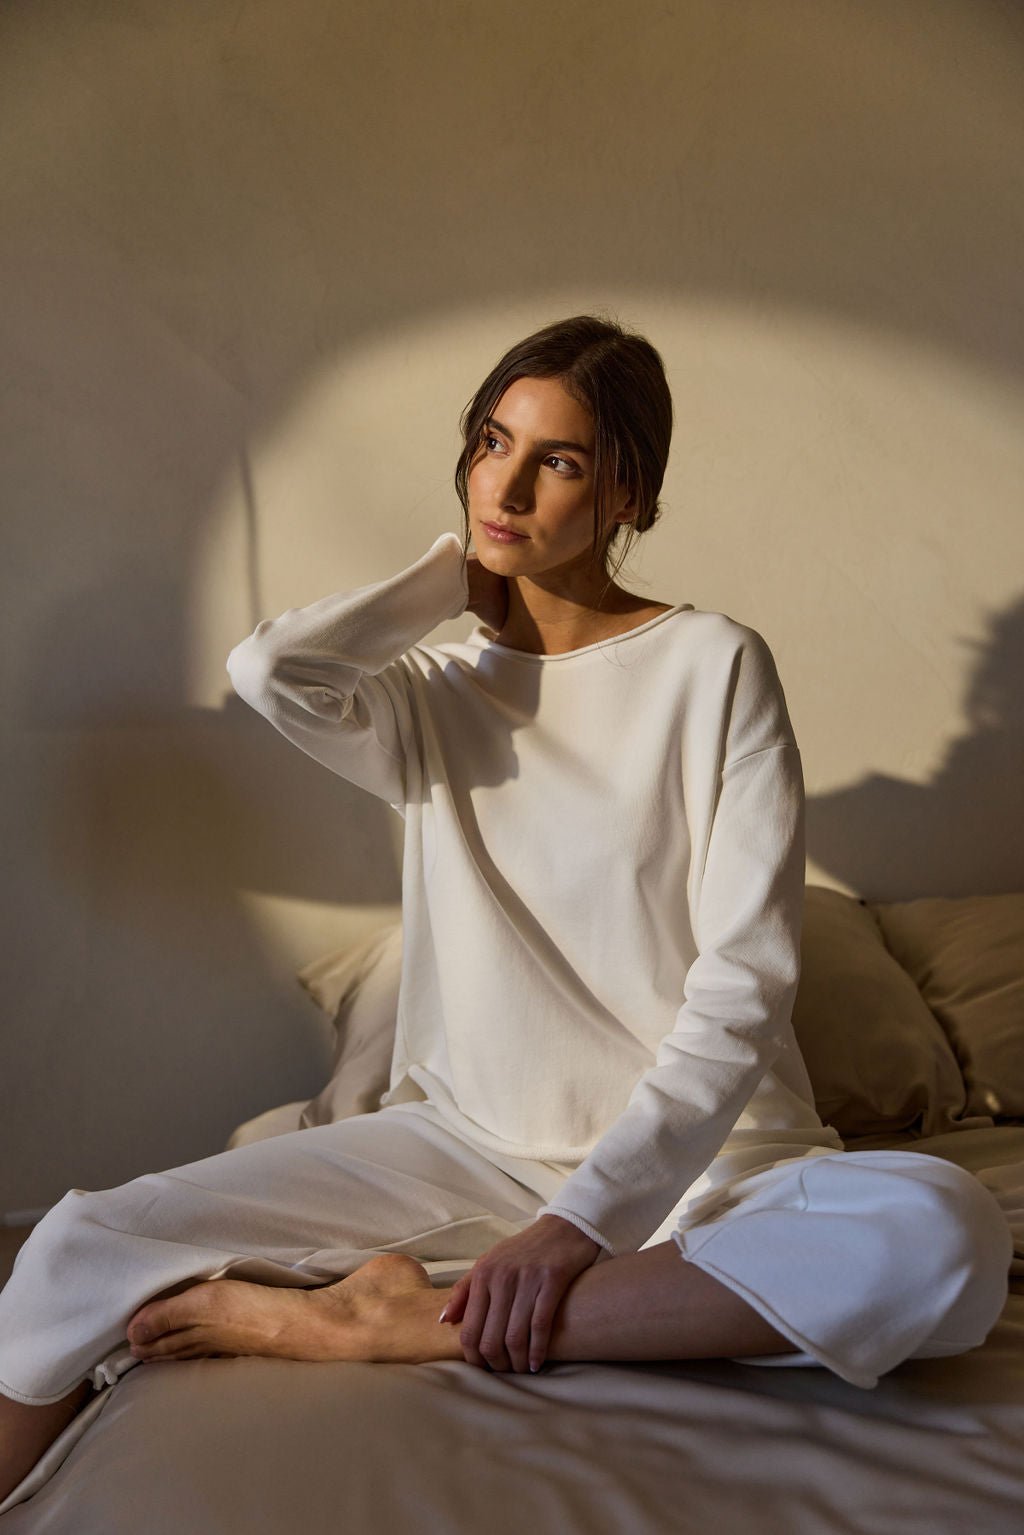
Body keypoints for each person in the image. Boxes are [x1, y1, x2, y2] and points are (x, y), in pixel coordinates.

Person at [0, 314, 1012, 1510]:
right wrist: (450, 579)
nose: (509, 484)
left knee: (945, 1236)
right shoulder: (431, 695)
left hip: (711, 1167)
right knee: (71, 1247)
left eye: (560, 460)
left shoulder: (712, 666)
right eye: (492, 442)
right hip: (470, 1142)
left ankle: (401, 1323)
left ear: (628, 487)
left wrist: (579, 1224)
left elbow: (745, 985)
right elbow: (272, 673)